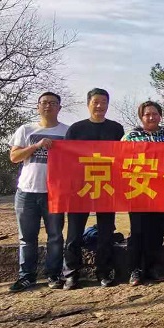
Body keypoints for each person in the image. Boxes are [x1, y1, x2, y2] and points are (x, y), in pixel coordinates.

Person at [62, 88, 124, 289]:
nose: (99, 106)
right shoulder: (76, 129)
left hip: (107, 186)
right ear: (88, 103)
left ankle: (103, 272)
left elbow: (123, 156)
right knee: (74, 233)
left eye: (103, 102)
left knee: (106, 232)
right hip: (81, 187)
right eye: (96, 102)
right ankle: (71, 273)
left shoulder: (116, 128)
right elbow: (66, 158)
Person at [8, 92, 69, 292]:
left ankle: (54, 275)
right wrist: (37, 145)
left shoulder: (67, 131)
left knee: (55, 236)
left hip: (54, 193)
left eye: (53, 103)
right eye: (44, 103)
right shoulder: (26, 129)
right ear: (38, 107)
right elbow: (14, 157)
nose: (48, 106)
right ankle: (27, 276)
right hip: (27, 191)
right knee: (27, 238)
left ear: (59, 107)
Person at [122, 101, 164, 286]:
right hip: (139, 191)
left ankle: (153, 267)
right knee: (138, 231)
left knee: (157, 231)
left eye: (155, 114)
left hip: (163, 192)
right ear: (141, 116)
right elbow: (119, 160)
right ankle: (135, 269)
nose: (151, 117)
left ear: (160, 116)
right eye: (147, 114)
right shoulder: (130, 137)